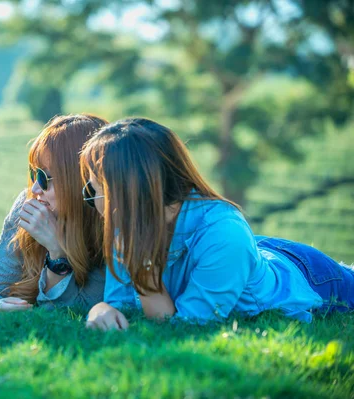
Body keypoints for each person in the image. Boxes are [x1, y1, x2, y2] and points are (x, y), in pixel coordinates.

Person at [80, 117, 354, 330]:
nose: (93, 201)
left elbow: (188, 327)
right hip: (249, 253)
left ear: (125, 192)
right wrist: (101, 310)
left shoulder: (224, 234)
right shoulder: (128, 223)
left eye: (94, 190)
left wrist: (144, 272)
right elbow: (124, 306)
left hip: (313, 278)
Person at [0, 114, 108, 311]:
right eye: (35, 173)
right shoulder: (27, 205)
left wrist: (57, 253)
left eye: (44, 178)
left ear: (79, 180)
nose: (35, 189)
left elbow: (78, 307)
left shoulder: (108, 224)